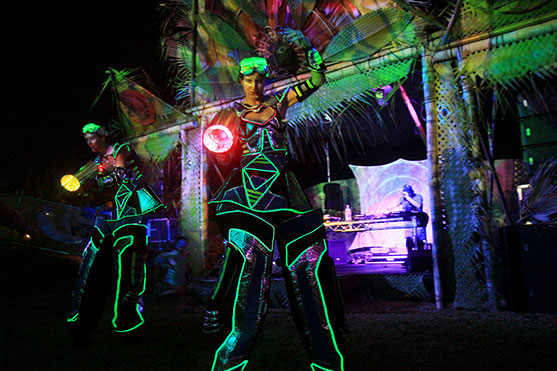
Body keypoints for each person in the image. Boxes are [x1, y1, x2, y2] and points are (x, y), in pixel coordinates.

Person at [203, 28, 345, 371]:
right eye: (249, 78)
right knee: (250, 262)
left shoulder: (277, 105)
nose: (255, 84)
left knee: (306, 263)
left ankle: (325, 353)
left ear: (266, 79)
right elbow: (218, 147)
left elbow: (312, 83)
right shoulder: (231, 114)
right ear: (241, 80)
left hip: (285, 188)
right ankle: (232, 346)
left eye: (260, 78)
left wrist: (316, 67)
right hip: (249, 190)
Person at [66, 123, 164, 344]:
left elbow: (121, 169)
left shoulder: (120, 148)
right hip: (108, 219)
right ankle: (81, 322)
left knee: (130, 271)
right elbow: (83, 184)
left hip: (131, 215)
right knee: (92, 267)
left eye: (94, 137)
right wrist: (82, 184)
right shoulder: (94, 163)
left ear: (103, 136)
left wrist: (111, 172)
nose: (91, 142)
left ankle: (129, 324)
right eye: (87, 139)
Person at [399, 184, 428, 250]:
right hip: (408, 220)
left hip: (418, 220)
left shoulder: (418, 197)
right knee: (409, 239)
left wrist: (409, 198)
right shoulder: (403, 198)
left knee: (419, 238)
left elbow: (418, 205)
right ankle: (410, 254)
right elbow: (397, 205)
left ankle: (421, 253)